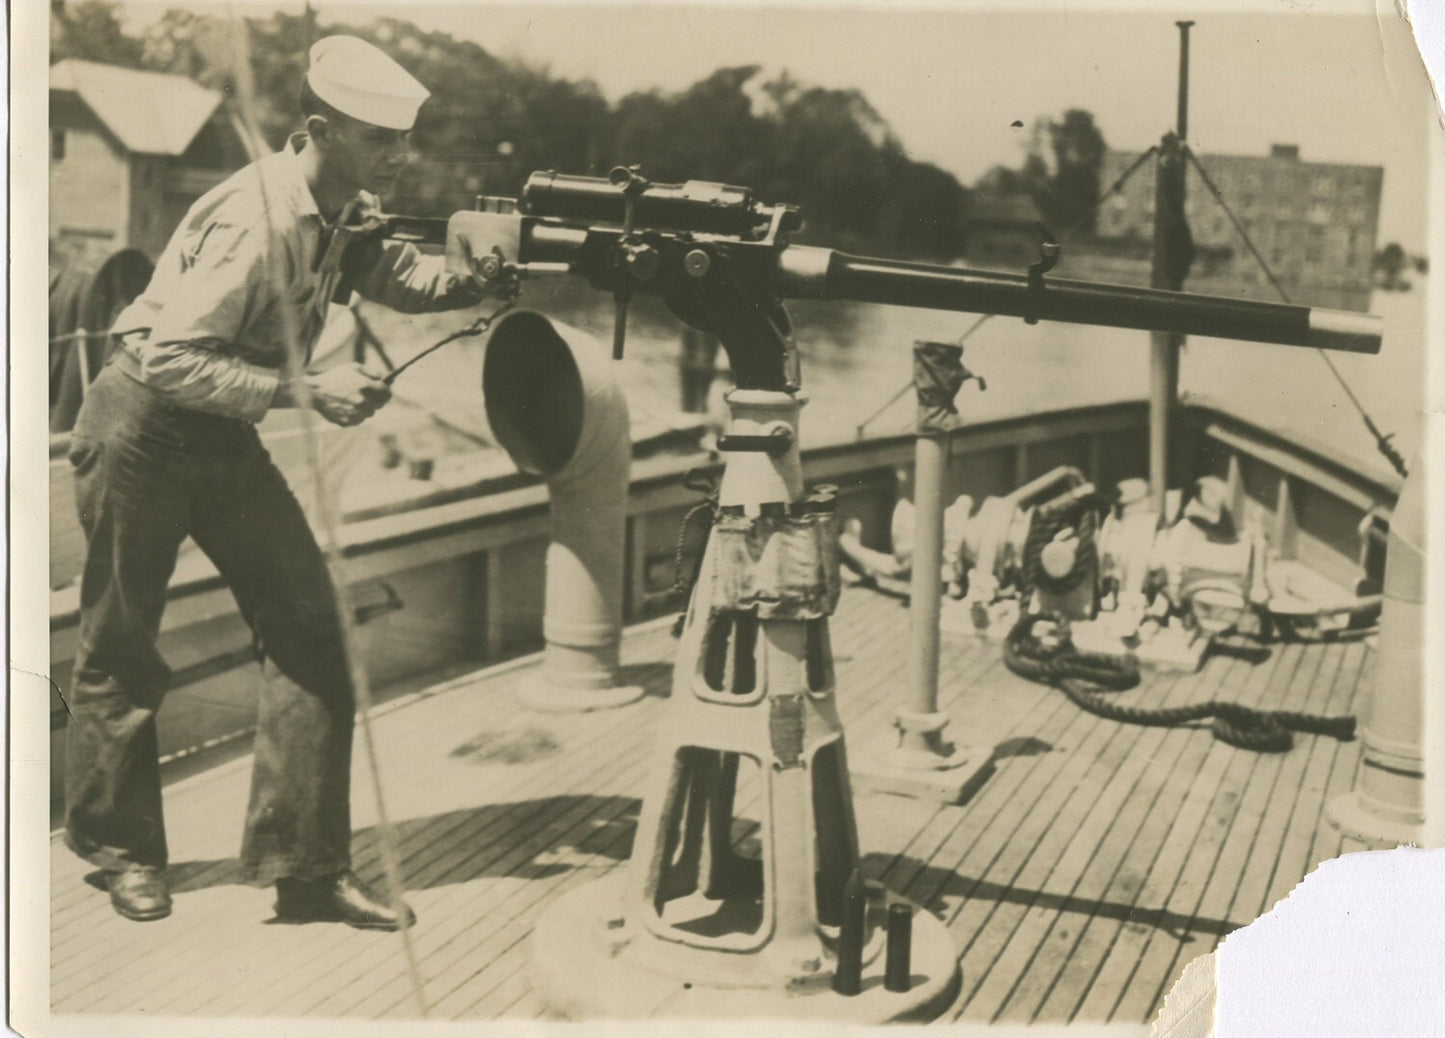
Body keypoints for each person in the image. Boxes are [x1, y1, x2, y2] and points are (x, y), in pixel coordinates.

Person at [63, 35, 492, 929]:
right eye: (381, 140)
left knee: (310, 624)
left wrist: (477, 278)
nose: (399, 158)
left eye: (402, 140)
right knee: (123, 644)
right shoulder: (254, 218)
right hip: (142, 424)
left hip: (224, 434)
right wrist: (311, 390)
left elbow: (393, 277)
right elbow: (173, 357)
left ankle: (304, 869)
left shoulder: (349, 203)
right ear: (318, 130)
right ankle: (120, 853)